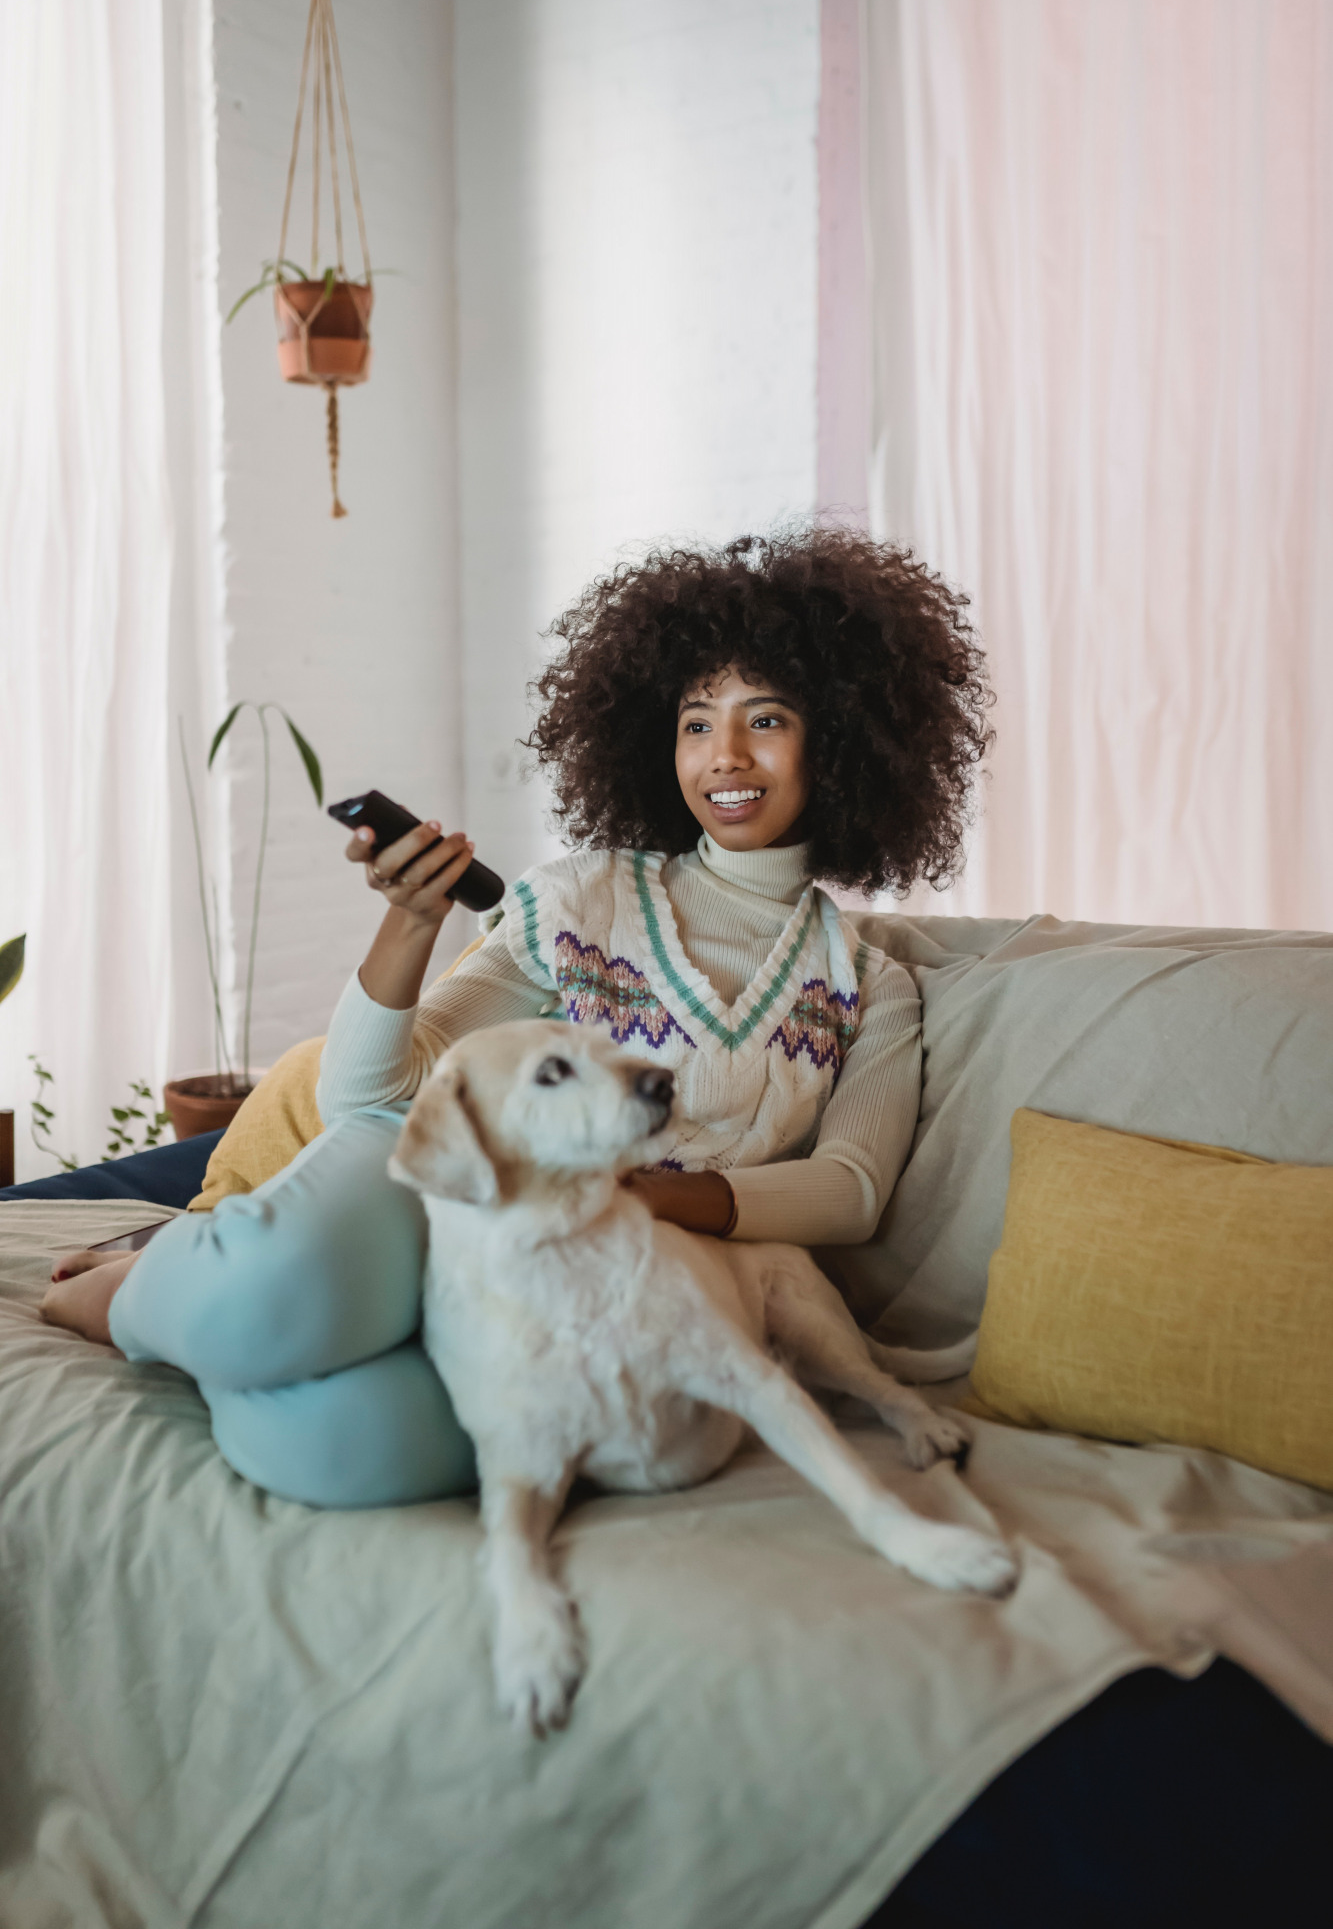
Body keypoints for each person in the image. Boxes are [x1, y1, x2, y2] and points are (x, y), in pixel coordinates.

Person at [42, 529, 993, 1508]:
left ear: (840, 738)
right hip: (439, 1203)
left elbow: (847, 1193)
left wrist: (642, 1196)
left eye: (768, 718)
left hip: (591, 1296)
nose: (726, 756)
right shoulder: (577, 902)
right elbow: (370, 1094)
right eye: (696, 723)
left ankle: (197, 1283)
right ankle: (136, 1288)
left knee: (335, 1449)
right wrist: (413, 920)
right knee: (264, 1302)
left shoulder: (868, 985)